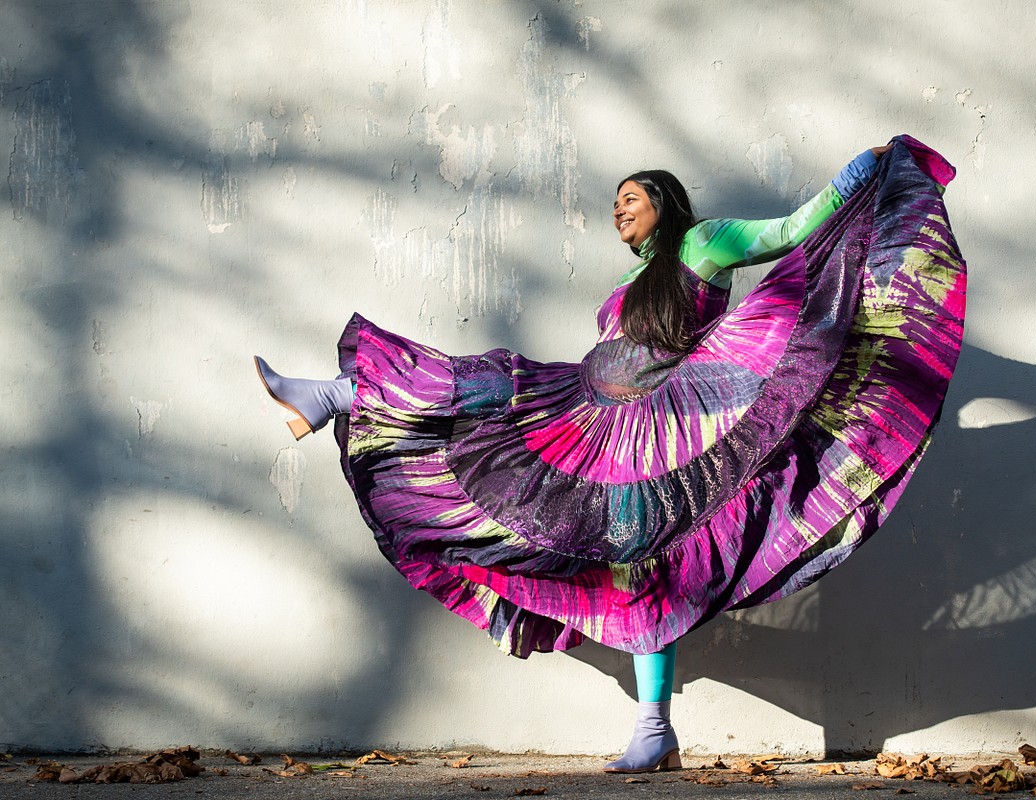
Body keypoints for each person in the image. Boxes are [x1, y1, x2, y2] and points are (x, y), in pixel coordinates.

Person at [255, 135, 966, 773]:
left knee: (643, 570)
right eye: (615, 203)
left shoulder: (706, 243)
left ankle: (653, 730)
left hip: (659, 431)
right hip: (589, 414)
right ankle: (339, 393)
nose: (619, 211)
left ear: (664, 203)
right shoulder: (625, 286)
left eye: (631, 199)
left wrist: (861, 172)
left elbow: (790, 230)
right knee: (498, 386)